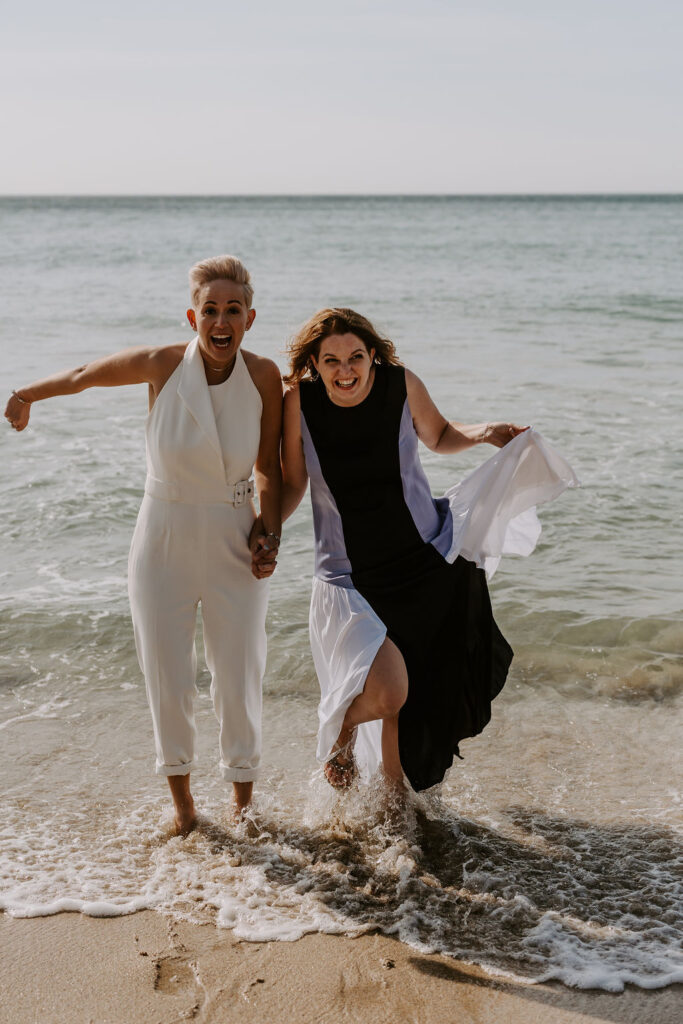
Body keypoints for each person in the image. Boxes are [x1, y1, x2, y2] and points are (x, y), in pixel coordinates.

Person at [4, 255, 282, 833]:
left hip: (235, 537)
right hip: (162, 538)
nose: (221, 320)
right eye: (211, 310)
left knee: (239, 676)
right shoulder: (162, 365)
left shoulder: (262, 376)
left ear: (250, 319)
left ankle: (244, 808)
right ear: (193, 316)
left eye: (233, 310)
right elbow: (85, 374)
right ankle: (184, 811)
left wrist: (268, 529)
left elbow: (269, 471)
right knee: (169, 676)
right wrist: (27, 393)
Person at [280, 308, 576, 793]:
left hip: (422, 560)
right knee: (389, 690)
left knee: (410, 698)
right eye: (331, 360)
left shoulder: (400, 385)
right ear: (314, 362)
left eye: (356, 356)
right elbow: (293, 480)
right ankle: (343, 726)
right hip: (348, 577)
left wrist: (483, 433)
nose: (345, 370)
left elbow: (436, 435)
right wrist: (265, 529)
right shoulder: (300, 403)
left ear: (373, 355)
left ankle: (396, 808)